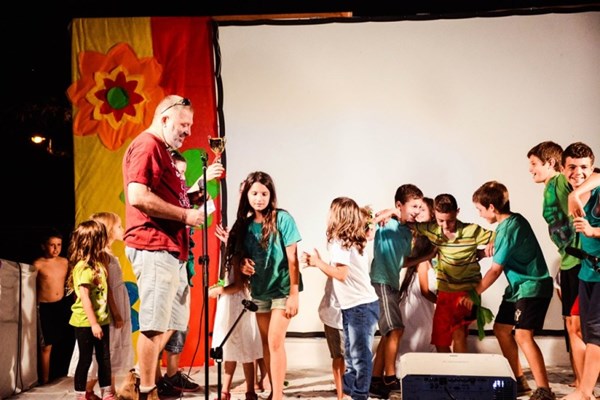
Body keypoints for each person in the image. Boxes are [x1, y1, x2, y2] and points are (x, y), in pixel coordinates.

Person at [122, 94, 208, 400]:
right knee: (154, 323)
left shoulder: (164, 151)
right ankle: (146, 390)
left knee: (173, 321)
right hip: (154, 245)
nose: (188, 131)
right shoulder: (148, 145)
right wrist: (186, 215)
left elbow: (165, 196)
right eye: (184, 124)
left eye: (190, 125)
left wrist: (192, 198)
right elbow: (138, 196)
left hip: (173, 249)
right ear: (165, 118)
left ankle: (137, 377)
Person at [470, 180, 556, 400]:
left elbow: (495, 270)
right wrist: (483, 251)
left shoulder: (508, 229)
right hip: (516, 289)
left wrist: (474, 293)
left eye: (480, 209)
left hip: (532, 287)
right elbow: (501, 246)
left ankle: (544, 390)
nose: (479, 214)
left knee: (523, 335)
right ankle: (518, 381)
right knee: (501, 329)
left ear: (491, 208)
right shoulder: (510, 223)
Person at [153, 148, 223, 396]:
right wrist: (202, 181)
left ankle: (171, 375)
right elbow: (177, 208)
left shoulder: (181, 193)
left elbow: (195, 209)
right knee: (164, 320)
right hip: (167, 259)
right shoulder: (161, 194)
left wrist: (202, 192)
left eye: (183, 174)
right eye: (178, 173)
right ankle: (149, 375)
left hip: (183, 260)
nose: (181, 178)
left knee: (179, 320)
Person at [230, 171, 302, 400]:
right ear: (247, 195)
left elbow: (293, 258)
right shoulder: (244, 225)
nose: (259, 198)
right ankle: (273, 392)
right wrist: (243, 265)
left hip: (283, 288)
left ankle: (278, 395)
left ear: (271, 195)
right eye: (254, 193)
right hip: (260, 289)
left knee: (274, 340)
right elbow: (240, 258)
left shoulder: (283, 219)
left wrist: (294, 294)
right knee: (266, 343)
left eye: (264, 193)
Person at [302, 197, 379, 400]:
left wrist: (318, 262)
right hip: (357, 306)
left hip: (359, 307)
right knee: (353, 358)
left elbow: (341, 274)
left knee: (359, 359)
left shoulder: (341, 243)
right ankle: (348, 394)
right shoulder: (354, 240)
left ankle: (359, 396)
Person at [527, 141, 586, 390]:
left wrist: (573, 195)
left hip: (581, 261)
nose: (530, 169)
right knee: (570, 323)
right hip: (568, 261)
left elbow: (594, 176)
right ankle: (579, 379)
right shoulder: (549, 187)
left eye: (534, 164)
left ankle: (584, 384)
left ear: (551, 162)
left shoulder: (561, 180)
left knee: (577, 325)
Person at [411, 193, 495, 354]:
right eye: (440, 220)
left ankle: (460, 368)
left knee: (458, 332)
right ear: (435, 214)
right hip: (445, 292)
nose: (445, 225)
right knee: (439, 339)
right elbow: (407, 224)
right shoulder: (433, 230)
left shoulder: (472, 230)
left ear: (457, 212)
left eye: (450, 220)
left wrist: (488, 247)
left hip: (468, 291)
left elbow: (502, 236)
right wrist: (391, 213)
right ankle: (449, 367)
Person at [67, 212, 134, 400]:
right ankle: (92, 391)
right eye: (118, 226)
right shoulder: (98, 259)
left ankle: (105, 391)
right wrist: (113, 313)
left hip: (112, 308)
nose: (122, 229)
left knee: (107, 355)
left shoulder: (105, 256)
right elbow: (99, 291)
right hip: (104, 311)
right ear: (108, 230)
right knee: (101, 354)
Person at [368, 184, 425, 399]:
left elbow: (403, 262)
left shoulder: (407, 232)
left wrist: (426, 257)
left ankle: (375, 379)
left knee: (389, 332)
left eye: (419, 207)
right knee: (395, 329)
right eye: (413, 206)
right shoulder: (386, 223)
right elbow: (365, 228)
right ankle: (390, 377)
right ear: (400, 205)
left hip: (392, 283)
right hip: (381, 282)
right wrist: (390, 212)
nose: (417, 211)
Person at [208, 222, 262, 400]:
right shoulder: (234, 253)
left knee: (245, 350)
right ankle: (227, 390)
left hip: (237, 305)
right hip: (231, 305)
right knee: (230, 349)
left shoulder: (238, 256)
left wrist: (219, 290)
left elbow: (238, 285)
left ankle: (248, 390)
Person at [563, 152, 600, 400]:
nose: (578, 172)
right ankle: (584, 389)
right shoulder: (577, 191)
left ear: (593, 167)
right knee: (583, 330)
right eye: (572, 167)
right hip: (587, 272)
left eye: (584, 167)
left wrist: (593, 231)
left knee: (596, 334)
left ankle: (585, 392)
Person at [67, 220, 115, 400]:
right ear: (93, 240)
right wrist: (94, 324)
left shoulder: (99, 264)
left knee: (104, 358)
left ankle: (107, 392)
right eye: (102, 237)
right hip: (85, 322)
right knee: (85, 358)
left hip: (102, 320)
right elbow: (85, 298)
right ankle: (80, 395)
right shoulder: (83, 267)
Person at [396, 197, 437, 368]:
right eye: (416, 209)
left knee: (422, 336)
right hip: (415, 299)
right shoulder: (414, 238)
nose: (418, 213)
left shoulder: (433, 238)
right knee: (414, 338)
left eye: (423, 210)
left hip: (420, 301)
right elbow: (424, 289)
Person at [34, 228, 72, 385]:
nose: (56, 249)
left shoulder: (64, 262)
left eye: (59, 245)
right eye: (52, 245)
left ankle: (60, 373)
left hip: (61, 305)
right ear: (43, 246)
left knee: (63, 341)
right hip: (45, 307)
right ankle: (44, 380)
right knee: (46, 346)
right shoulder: (38, 264)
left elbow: (71, 282)